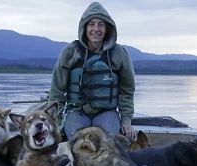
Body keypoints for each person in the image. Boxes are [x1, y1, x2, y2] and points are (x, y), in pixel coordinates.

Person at [49, 2, 137, 141]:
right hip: (76, 111)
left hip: (107, 112)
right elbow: (57, 90)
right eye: (91, 24)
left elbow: (127, 89)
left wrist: (126, 121)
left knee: (107, 143)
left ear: (107, 29)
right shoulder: (71, 51)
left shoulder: (119, 53)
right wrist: (55, 121)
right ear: (84, 28)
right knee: (76, 143)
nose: (96, 29)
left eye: (101, 24)